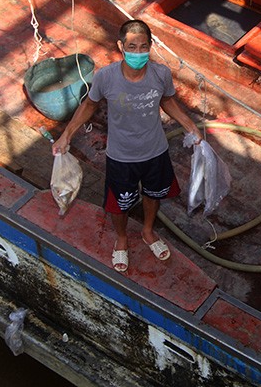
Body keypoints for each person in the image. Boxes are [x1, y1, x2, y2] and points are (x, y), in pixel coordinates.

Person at [52, 19, 203, 273]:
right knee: (119, 204)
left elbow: (168, 101)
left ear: (150, 46)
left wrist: (190, 125)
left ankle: (147, 231)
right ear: (121, 46)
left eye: (143, 46)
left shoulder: (161, 74)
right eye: (132, 46)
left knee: (153, 195)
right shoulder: (105, 77)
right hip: (121, 157)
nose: (138, 52)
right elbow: (89, 106)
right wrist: (66, 134)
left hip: (155, 151)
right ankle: (121, 238)